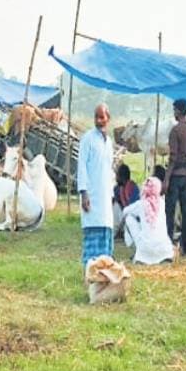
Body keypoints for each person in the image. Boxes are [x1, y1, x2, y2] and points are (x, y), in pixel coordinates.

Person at [77, 103, 116, 268]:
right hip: (92, 194)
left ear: (108, 118)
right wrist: (84, 193)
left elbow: (109, 169)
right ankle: (90, 272)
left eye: (102, 117)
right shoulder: (88, 139)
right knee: (93, 229)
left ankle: (105, 271)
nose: (99, 121)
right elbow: (82, 166)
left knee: (106, 228)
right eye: (96, 117)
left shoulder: (109, 143)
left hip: (106, 195)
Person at [163, 98, 186, 256]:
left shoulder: (175, 131)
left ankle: (168, 244)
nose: (174, 113)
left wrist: (166, 179)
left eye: (174, 109)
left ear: (178, 111)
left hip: (175, 175)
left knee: (169, 211)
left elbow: (173, 158)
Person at [121, 177, 176, 264]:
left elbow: (125, 211)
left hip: (145, 249)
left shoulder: (140, 204)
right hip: (164, 249)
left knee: (129, 218)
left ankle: (136, 251)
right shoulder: (162, 203)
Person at [112, 163, 139, 235]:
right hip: (123, 219)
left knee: (117, 207)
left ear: (122, 176)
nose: (115, 177)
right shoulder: (117, 189)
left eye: (117, 175)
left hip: (133, 219)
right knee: (115, 204)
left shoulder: (133, 188)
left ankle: (119, 231)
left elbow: (132, 209)